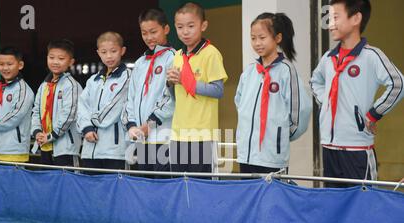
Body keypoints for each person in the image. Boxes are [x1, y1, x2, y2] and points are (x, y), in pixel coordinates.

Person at [310, 0, 403, 187]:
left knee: (363, 208)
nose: (330, 24)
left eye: (336, 17)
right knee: (335, 207)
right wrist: (326, 101)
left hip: (357, 150)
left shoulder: (371, 56)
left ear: (356, 18)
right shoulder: (328, 59)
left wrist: (373, 114)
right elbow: (315, 81)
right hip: (329, 148)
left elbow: (398, 84)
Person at [235, 13, 311, 175]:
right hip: (246, 156)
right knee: (250, 199)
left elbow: (300, 113)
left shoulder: (286, 71)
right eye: (253, 38)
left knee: (272, 199)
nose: (257, 43)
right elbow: (239, 103)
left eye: (262, 37)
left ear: (277, 38)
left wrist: (280, 136)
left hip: (272, 157)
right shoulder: (249, 71)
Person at [167, 2, 228, 173]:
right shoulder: (178, 56)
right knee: (179, 186)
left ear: (203, 26)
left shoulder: (211, 53)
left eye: (191, 26)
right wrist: (171, 83)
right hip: (178, 133)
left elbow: (218, 90)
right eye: (180, 27)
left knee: (201, 188)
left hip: (203, 135)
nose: (185, 31)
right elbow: (176, 97)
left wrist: (186, 81)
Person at [122, 8, 175, 175]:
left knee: (162, 187)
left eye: (153, 32)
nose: (149, 37)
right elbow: (130, 98)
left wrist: (149, 124)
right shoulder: (139, 63)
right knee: (143, 186)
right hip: (140, 138)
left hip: (162, 137)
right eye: (144, 33)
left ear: (166, 29)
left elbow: (171, 99)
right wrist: (131, 125)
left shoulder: (174, 58)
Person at [77, 32, 130, 173]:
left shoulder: (128, 77)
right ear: (98, 53)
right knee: (90, 191)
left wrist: (91, 123)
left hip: (114, 151)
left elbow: (114, 108)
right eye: (104, 52)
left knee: (114, 191)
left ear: (122, 51)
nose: (109, 56)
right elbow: (82, 106)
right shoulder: (93, 80)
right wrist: (86, 128)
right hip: (89, 149)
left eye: (113, 51)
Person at [31, 39, 82, 167]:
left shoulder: (71, 85)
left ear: (71, 62)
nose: (55, 62)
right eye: (51, 57)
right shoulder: (44, 86)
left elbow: (69, 115)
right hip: (45, 145)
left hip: (65, 148)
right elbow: (36, 110)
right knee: (48, 183)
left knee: (67, 184)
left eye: (61, 58)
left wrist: (51, 135)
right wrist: (37, 132)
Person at [0, 46, 34, 162]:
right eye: (1, 64)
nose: (5, 68)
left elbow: (16, 115)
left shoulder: (23, 89)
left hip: (15, 152)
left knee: (15, 180)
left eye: (9, 64)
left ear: (20, 65)